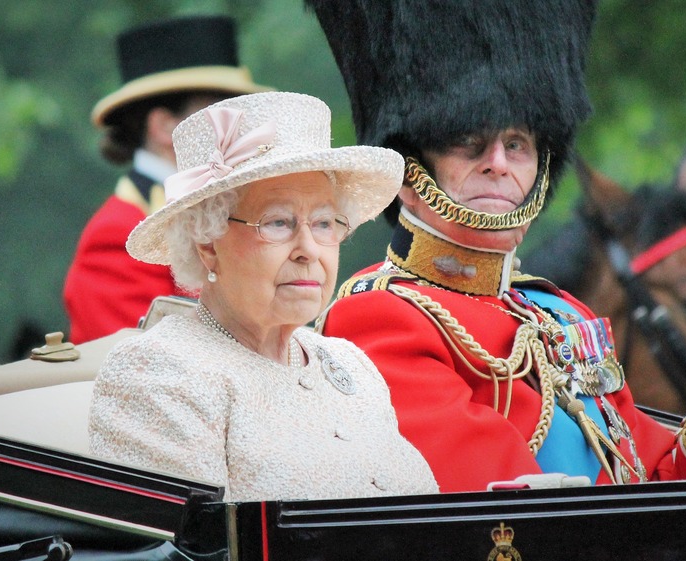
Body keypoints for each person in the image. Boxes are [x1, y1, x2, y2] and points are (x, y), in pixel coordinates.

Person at [309, 0, 686, 492]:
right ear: (407, 173)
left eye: (517, 144)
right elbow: (519, 519)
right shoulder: (379, 315)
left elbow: (658, 484)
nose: (498, 164)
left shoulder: (561, 313)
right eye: (468, 140)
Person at [88, 91, 438, 501]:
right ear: (208, 243)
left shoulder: (351, 366)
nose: (309, 248)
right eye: (277, 222)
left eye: (324, 223)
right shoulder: (156, 374)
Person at [64, 15, 271, 344]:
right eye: (221, 113)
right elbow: (136, 369)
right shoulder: (117, 234)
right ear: (163, 126)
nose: (239, 128)